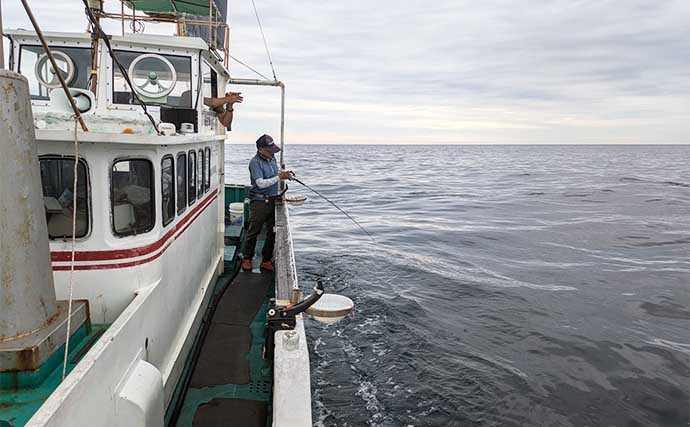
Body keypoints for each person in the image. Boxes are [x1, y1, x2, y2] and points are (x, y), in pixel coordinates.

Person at [241, 134, 292, 271]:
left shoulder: (272, 159)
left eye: (273, 151)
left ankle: (266, 259)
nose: (272, 153)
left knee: (272, 232)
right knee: (254, 231)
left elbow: (275, 173)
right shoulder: (255, 163)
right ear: (261, 149)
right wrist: (279, 177)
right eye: (270, 151)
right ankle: (247, 258)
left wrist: (285, 174)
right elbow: (260, 183)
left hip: (273, 200)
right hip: (259, 202)